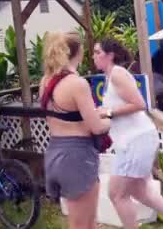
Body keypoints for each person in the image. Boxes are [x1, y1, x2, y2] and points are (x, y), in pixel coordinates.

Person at [93, 38, 163, 229]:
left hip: (136, 140)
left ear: (110, 55)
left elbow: (139, 104)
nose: (94, 56)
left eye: (98, 52)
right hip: (134, 140)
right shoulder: (109, 76)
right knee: (140, 192)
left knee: (116, 193)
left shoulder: (118, 74)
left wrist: (109, 112)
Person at [39, 32, 111, 229]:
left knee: (88, 223)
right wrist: (108, 118)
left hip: (55, 152)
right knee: (82, 225)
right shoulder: (77, 84)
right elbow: (96, 127)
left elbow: (59, 117)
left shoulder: (45, 81)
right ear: (78, 52)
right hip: (78, 157)